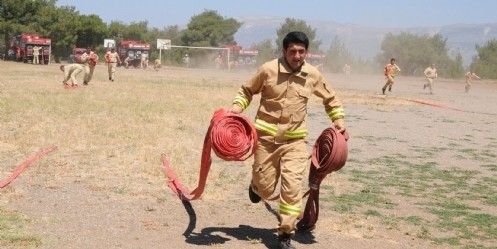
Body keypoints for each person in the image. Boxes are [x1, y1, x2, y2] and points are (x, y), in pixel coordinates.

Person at [229, 31, 346, 249]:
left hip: (295, 142)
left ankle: (285, 235)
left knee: (292, 187)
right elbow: (246, 91)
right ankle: (256, 186)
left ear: (307, 53)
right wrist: (235, 110)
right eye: (292, 51)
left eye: (301, 52)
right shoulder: (268, 70)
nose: (297, 56)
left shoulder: (312, 75)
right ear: (284, 51)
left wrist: (338, 121)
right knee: (265, 189)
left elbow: (331, 98)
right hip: (266, 140)